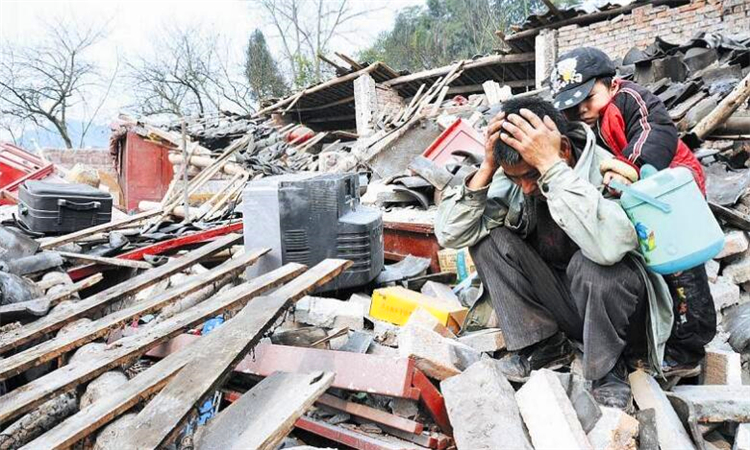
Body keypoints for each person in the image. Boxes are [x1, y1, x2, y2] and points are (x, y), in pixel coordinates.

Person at [435, 96, 674, 409]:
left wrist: (551, 168)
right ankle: (545, 345)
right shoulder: (516, 182)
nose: (525, 188)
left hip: (622, 316)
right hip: (568, 305)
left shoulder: (608, 172)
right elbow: (450, 233)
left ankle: (608, 368)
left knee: (594, 267)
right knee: (488, 240)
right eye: (514, 177)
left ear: (562, 149)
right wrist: (488, 168)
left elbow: (610, 248)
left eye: (531, 175)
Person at [550, 47, 716, 374]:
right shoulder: (583, 123)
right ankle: (663, 336)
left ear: (611, 85)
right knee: (655, 262)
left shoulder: (631, 99)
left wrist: (630, 165)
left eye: (589, 98)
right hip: (637, 199)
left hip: (670, 190)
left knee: (681, 264)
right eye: (572, 105)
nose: (582, 109)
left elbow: (655, 131)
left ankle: (690, 347)